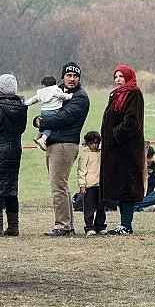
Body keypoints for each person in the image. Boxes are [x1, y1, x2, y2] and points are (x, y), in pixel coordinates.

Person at [35, 62, 90, 237]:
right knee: (61, 186)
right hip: (54, 143)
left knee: (58, 186)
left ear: (79, 78)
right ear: (63, 77)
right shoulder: (56, 91)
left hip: (65, 144)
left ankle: (62, 226)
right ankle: (68, 225)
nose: (72, 79)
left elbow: (63, 118)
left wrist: (41, 122)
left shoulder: (81, 98)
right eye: (69, 75)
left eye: (75, 76)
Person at [99, 65, 146, 235]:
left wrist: (115, 134)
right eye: (116, 76)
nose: (118, 79)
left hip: (127, 150)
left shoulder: (134, 93)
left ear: (128, 77)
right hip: (115, 150)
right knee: (119, 186)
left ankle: (126, 225)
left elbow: (132, 121)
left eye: (121, 76)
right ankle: (123, 224)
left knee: (127, 187)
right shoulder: (116, 94)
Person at [0, 74, 28, 237]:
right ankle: (13, 226)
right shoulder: (22, 106)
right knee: (11, 188)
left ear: (0, 90)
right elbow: (22, 128)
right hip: (16, 148)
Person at [25, 76, 73, 152]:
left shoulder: (42, 92)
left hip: (43, 112)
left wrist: (25, 103)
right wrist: (70, 96)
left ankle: (39, 136)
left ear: (44, 85)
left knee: (44, 123)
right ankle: (43, 139)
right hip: (53, 112)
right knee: (51, 127)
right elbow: (61, 96)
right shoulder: (55, 90)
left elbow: (34, 99)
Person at [77, 131, 105, 236]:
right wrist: (82, 185)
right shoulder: (85, 155)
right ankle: (89, 227)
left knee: (101, 206)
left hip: (100, 185)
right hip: (89, 186)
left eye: (97, 143)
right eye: (92, 143)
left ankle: (100, 225)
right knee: (89, 208)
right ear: (87, 143)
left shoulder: (100, 153)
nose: (95, 145)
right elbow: (81, 171)